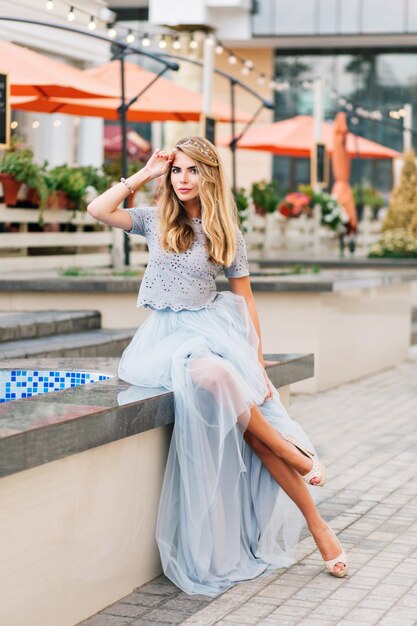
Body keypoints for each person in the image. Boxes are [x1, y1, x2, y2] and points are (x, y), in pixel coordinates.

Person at [87, 136, 348, 597]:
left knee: (252, 429)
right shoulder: (154, 220)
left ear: (209, 175)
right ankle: (294, 453)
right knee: (216, 377)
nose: (183, 179)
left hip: (213, 333)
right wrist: (146, 173)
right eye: (177, 171)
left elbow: (246, 301)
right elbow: (98, 209)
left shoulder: (226, 233)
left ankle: (318, 524)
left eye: (192, 170)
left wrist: (258, 362)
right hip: (165, 340)